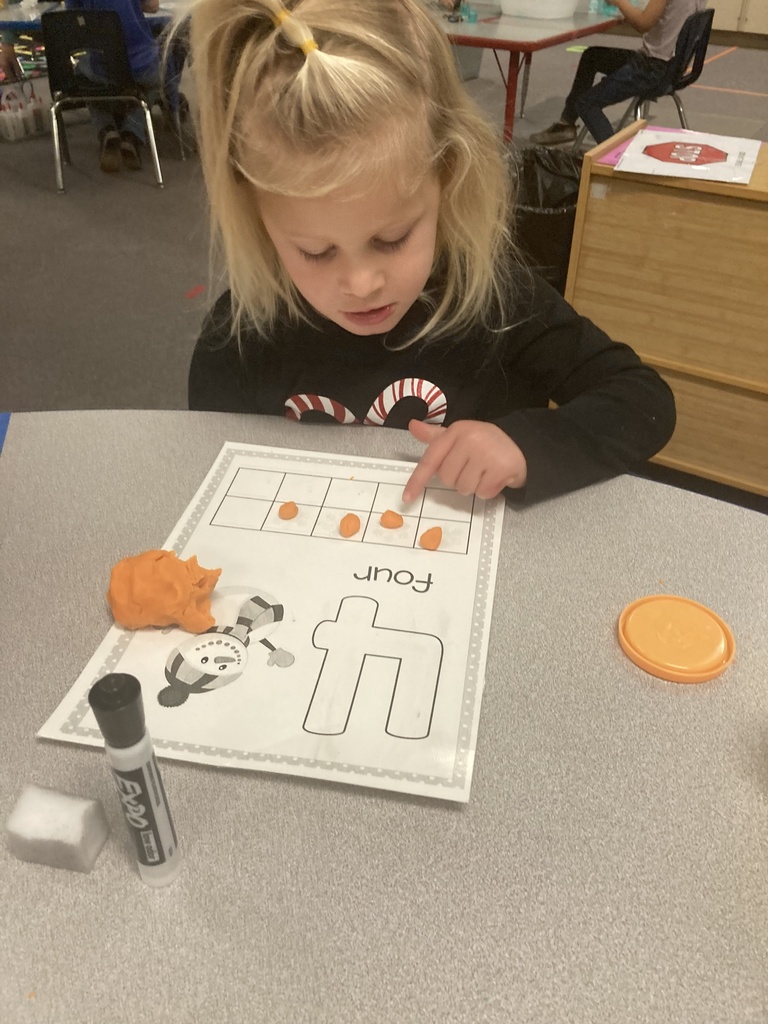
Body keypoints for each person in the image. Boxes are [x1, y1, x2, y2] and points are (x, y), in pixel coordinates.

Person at [186, 0, 675, 506]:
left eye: (392, 238)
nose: (361, 283)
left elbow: (641, 399)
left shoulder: (493, 299)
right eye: (315, 251)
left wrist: (526, 445)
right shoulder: (241, 336)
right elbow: (209, 468)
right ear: (258, 219)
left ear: (447, 175)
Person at [530, 0, 706, 147]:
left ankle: (613, 158)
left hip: (651, 69)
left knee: (586, 103)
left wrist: (619, 2)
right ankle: (566, 125)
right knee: (591, 57)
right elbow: (669, 20)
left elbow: (643, 24)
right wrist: (631, 13)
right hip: (670, 69)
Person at [65, 0, 160, 172]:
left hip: (101, 67)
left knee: (82, 74)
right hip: (140, 64)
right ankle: (132, 133)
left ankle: (106, 129)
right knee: (158, 78)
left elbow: (72, 17)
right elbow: (152, 6)